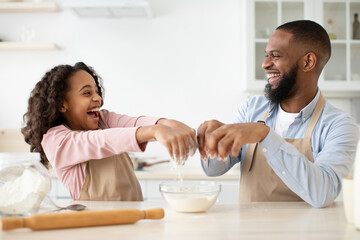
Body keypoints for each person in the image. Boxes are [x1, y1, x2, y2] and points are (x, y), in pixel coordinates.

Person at [197, 20, 359, 208]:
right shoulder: (252, 108)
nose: (265, 64)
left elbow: (323, 193)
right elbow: (214, 170)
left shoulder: (339, 125)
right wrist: (213, 143)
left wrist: (264, 135)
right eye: (267, 55)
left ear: (308, 62)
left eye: (275, 56)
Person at [22, 62, 197, 201]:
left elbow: (133, 123)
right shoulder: (56, 140)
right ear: (62, 104)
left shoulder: (102, 120)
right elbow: (98, 141)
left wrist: (168, 124)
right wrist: (154, 131)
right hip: (95, 227)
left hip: (132, 219)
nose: (97, 98)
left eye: (97, 92)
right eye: (87, 93)